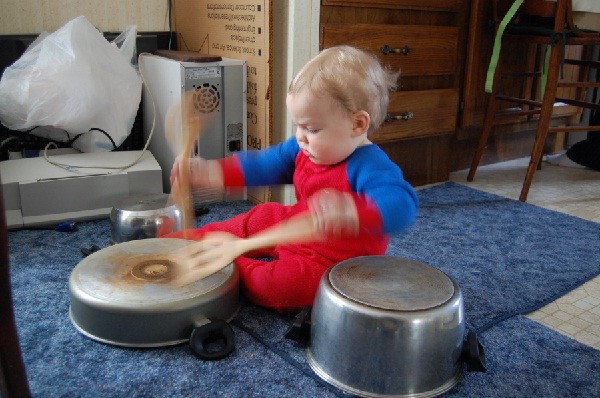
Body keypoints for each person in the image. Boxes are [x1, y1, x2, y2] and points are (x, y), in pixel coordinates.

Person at [166, 45, 419, 312]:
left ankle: (227, 265)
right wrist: (212, 172)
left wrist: (351, 211)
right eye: (298, 125)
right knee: (261, 215)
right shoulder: (303, 148)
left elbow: (402, 205)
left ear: (357, 124)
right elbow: (264, 165)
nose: (300, 136)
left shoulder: (371, 165)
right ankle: (189, 240)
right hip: (296, 225)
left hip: (335, 260)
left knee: (281, 287)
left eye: (312, 128)